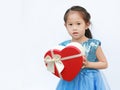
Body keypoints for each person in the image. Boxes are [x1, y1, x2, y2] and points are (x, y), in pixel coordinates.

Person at [56, 6, 110, 90]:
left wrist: (89, 64)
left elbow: (104, 64)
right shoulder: (64, 46)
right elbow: (60, 66)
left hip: (90, 81)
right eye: (70, 24)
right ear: (65, 26)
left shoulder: (93, 44)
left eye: (78, 24)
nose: (74, 28)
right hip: (70, 82)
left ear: (87, 25)